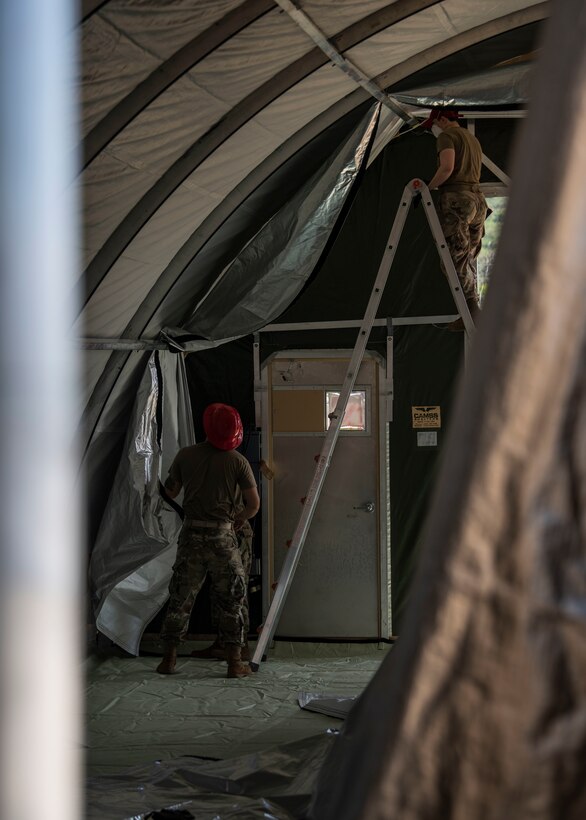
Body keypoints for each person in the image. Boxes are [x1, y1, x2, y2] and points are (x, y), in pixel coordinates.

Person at [156, 402, 260, 678]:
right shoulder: (238, 461)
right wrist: (237, 518)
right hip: (223, 537)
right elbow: (253, 504)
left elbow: (171, 491)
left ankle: (169, 659)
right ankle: (235, 663)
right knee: (232, 600)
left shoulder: (185, 455)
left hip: (191, 536)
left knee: (181, 597)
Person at [421, 106, 488, 331]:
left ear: (441, 119)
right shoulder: (472, 139)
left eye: (434, 124)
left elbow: (447, 168)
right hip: (478, 201)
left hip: (458, 200)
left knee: (452, 260)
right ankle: (472, 309)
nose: (434, 129)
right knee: (468, 256)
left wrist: (427, 188)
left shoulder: (448, 136)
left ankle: (471, 310)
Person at [190, 492, 254, 662]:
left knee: (235, 589)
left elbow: (253, 502)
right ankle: (223, 643)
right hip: (220, 528)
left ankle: (241, 646)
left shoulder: (233, 465)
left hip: (233, 529)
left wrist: (238, 520)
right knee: (220, 588)